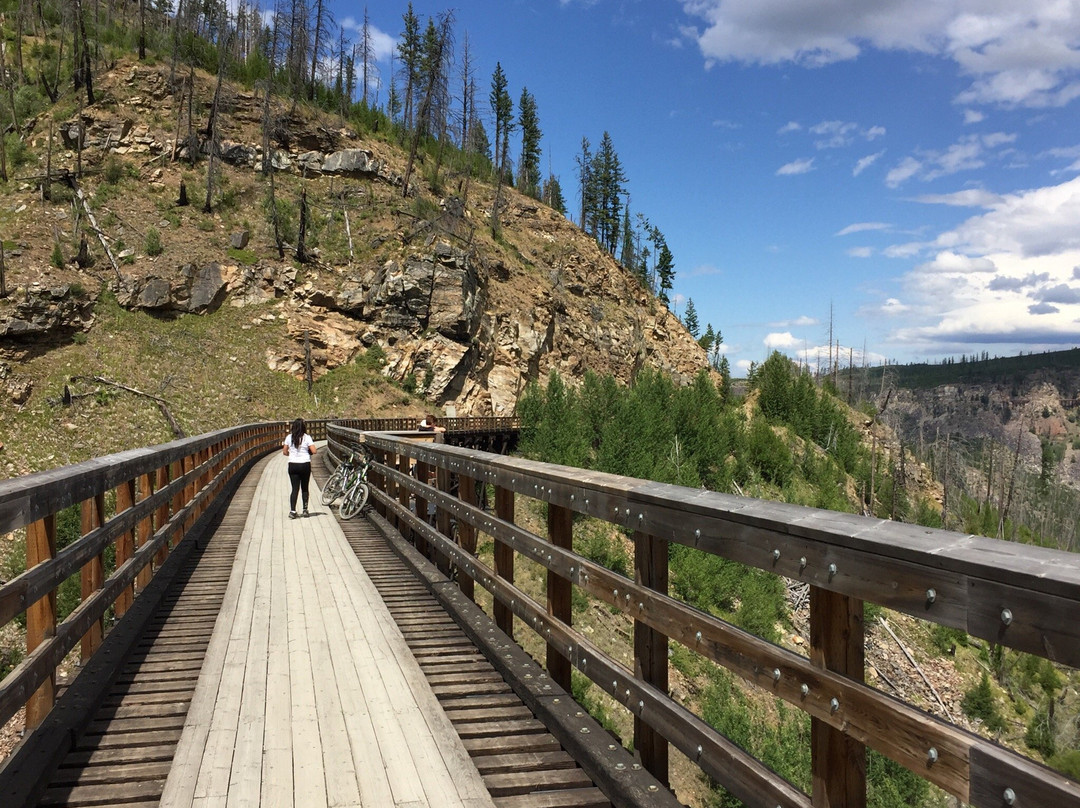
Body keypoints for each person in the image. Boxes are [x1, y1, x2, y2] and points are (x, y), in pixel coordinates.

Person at [282, 418, 316, 518]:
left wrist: (292, 454)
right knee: (305, 487)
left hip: (293, 464)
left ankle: (292, 511)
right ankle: (305, 510)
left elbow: (284, 452)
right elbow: (314, 451)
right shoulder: (307, 437)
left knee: (294, 488)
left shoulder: (289, 437)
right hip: (305, 464)